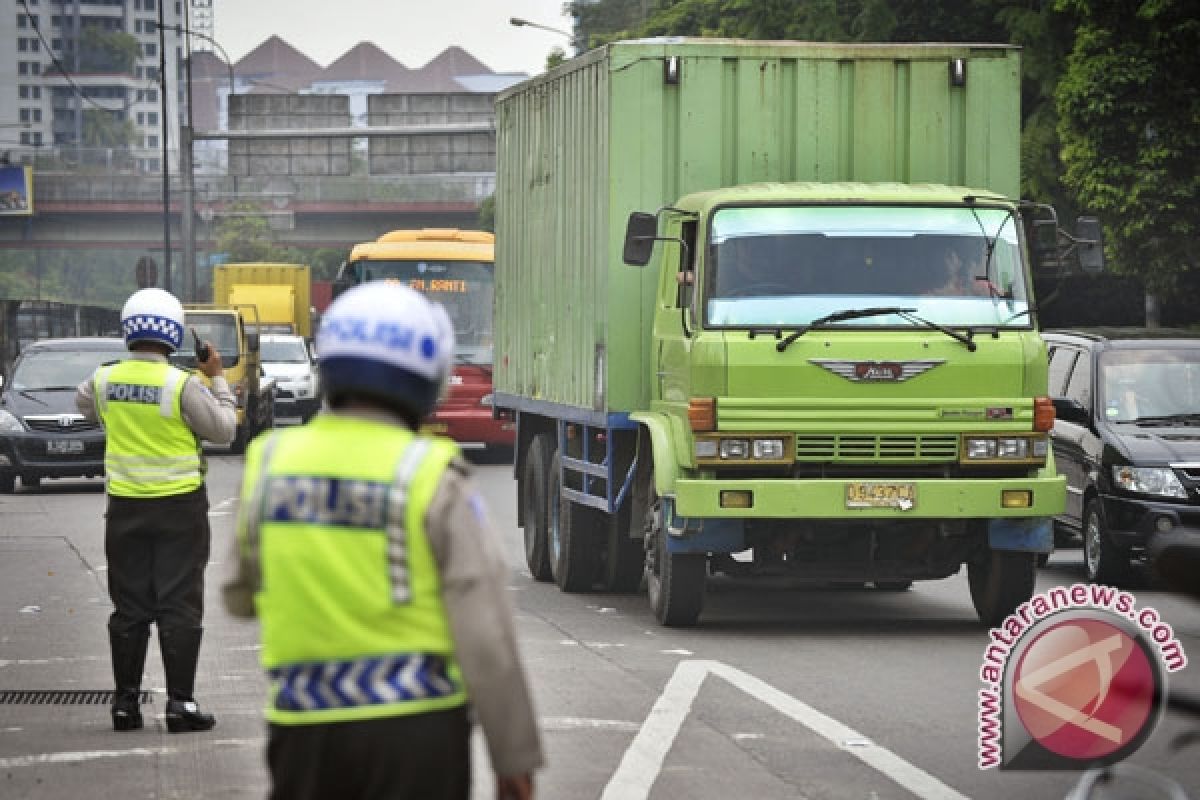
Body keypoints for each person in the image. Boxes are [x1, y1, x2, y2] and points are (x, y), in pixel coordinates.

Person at [223, 281, 544, 800]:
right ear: (427, 377)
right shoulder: (432, 474)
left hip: (303, 730)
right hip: (416, 735)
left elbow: (239, 597)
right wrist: (514, 759)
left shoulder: (270, 461)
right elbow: (485, 633)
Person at [75, 287, 236, 733]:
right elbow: (224, 430)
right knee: (179, 605)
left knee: (128, 606)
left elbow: (85, 405)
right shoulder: (181, 384)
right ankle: (180, 706)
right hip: (179, 510)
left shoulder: (103, 380)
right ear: (173, 334)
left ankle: (125, 706)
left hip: (125, 508)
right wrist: (217, 379)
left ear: (128, 330)